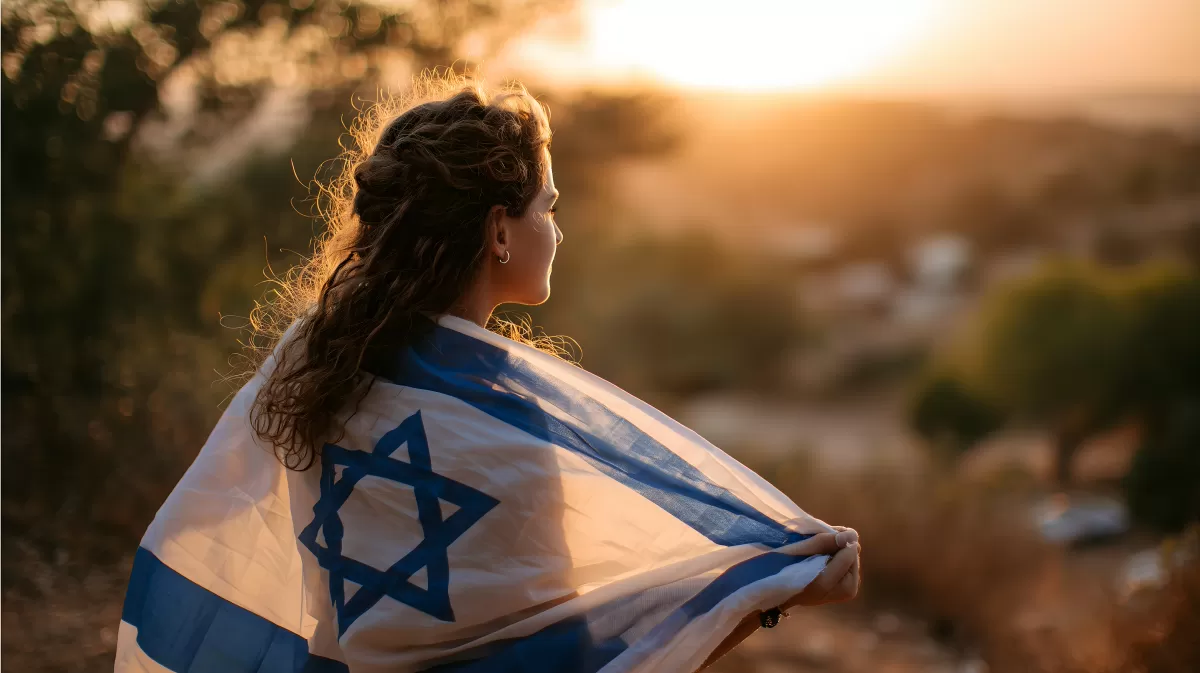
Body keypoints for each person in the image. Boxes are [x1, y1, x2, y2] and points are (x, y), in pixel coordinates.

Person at [115, 76, 860, 673]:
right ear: (499, 230)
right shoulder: (507, 430)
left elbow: (217, 525)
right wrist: (773, 590)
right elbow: (586, 658)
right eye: (550, 206)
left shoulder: (314, 359)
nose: (558, 228)